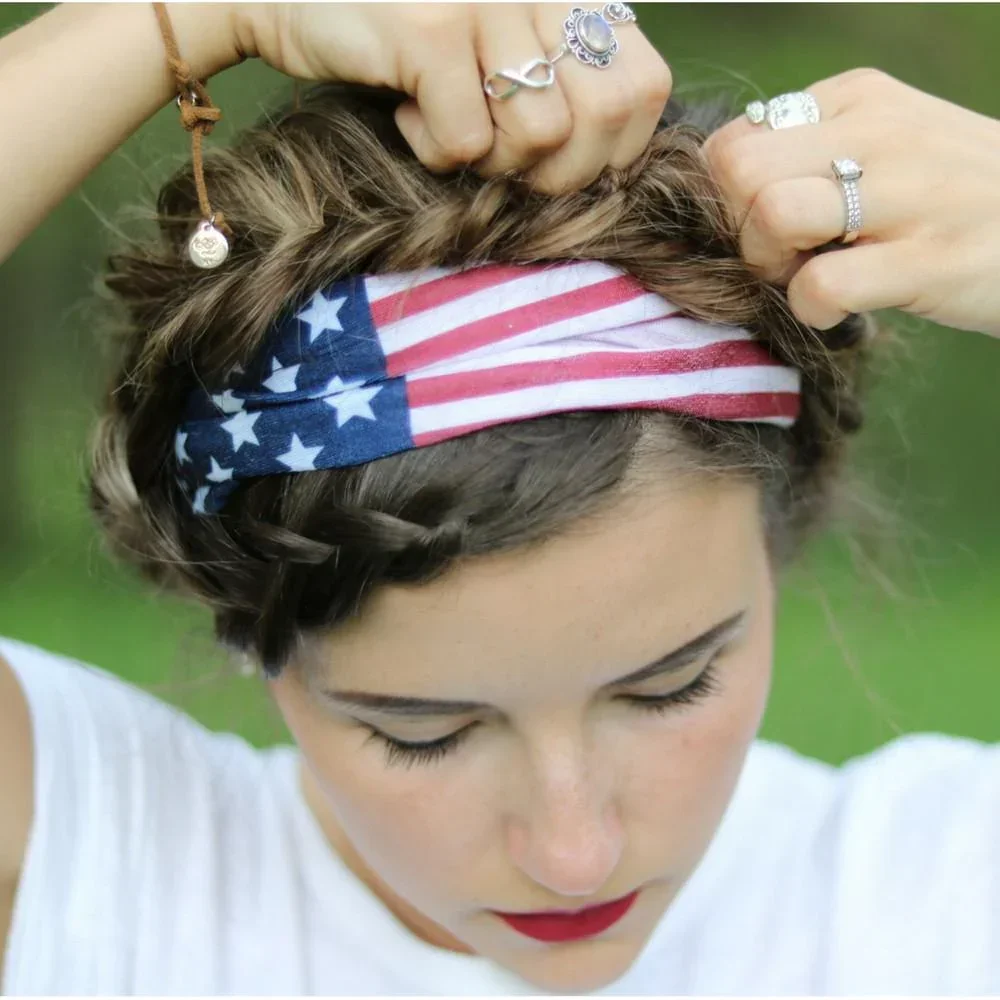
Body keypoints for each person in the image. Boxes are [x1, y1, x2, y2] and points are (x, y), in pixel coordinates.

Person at [1, 2, 998, 995]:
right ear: (247, 627)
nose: (573, 853)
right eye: (421, 733)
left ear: (778, 540)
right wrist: (185, 14)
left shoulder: (930, 897)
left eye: (671, 686)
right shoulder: (108, 872)